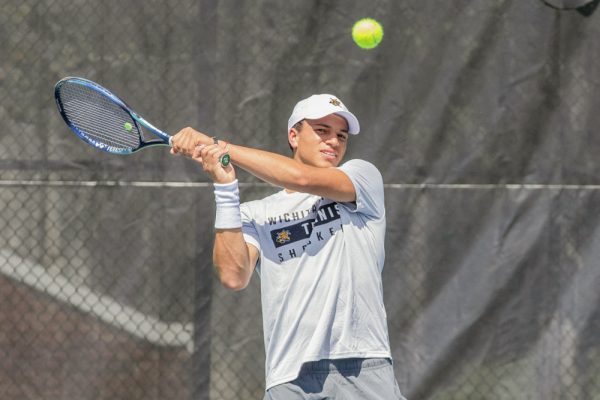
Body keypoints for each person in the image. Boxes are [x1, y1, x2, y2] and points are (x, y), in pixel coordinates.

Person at [170, 94, 405, 399]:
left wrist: (220, 146)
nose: (333, 141)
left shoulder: (362, 178)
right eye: (322, 131)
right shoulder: (255, 214)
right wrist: (226, 187)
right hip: (289, 379)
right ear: (294, 136)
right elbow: (233, 276)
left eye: (341, 135)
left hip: (363, 367)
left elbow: (301, 178)